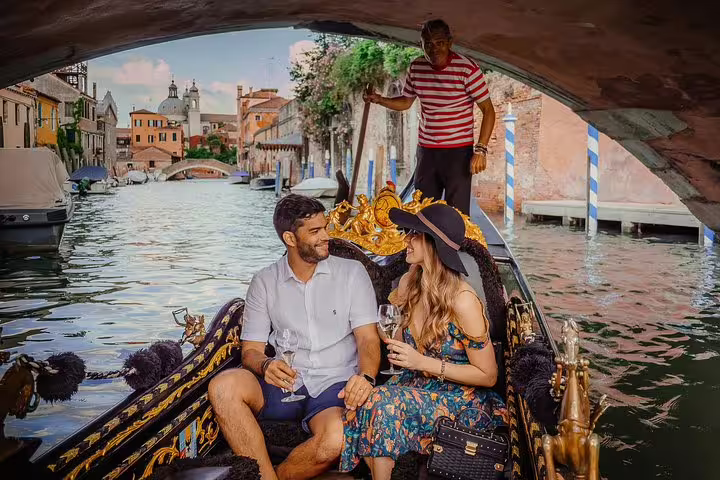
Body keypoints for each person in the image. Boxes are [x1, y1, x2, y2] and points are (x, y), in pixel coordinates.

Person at [208, 194, 381, 480]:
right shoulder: (264, 281)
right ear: (290, 238)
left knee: (336, 439)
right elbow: (250, 350)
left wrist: (366, 377)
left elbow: (368, 339)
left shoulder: (352, 273)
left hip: (334, 385)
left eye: (324, 227)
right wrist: (265, 366)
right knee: (223, 386)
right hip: (283, 383)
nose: (326, 236)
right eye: (315, 231)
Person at [340, 203, 507, 479]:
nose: (406, 239)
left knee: (383, 404)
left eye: (414, 234)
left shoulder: (463, 301)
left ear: (434, 244)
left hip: (460, 396)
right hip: (413, 383)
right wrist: (388, 334)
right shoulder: (408, 282)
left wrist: (422, 362)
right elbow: (395, 338)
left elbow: (488, 375)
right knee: (361, 400)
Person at [364, 19, 496, 215]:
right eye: (428, 44)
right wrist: (379, 99)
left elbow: (489, 110)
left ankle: (454, 245)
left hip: (458, 153)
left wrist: (481, 150)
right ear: (421, 44)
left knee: (457, 214)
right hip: (427, 152)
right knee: (423, 210)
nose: (434, 49)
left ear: (450, 43)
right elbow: (406, 102)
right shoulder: (416, 67)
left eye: (440, 43)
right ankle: (425, 245)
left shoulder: (468, 69)